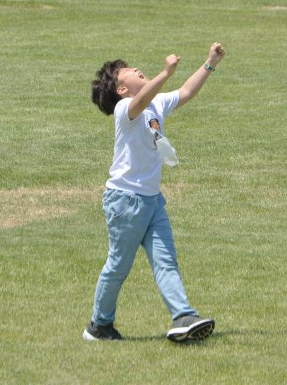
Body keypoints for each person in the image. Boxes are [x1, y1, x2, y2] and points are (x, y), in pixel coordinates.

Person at [85, 42, 225, 342]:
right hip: (124, 201)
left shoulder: (156, 104)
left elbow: (186, 92)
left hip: (152, 201)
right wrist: (165, 72)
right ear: (121, 90)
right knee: (118, 266)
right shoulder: (125, 109)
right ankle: (99, 326)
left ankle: (183, 316)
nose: (136, 69)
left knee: (166, 261)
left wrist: (210, 63)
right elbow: (141, 101)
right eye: (127, 72)